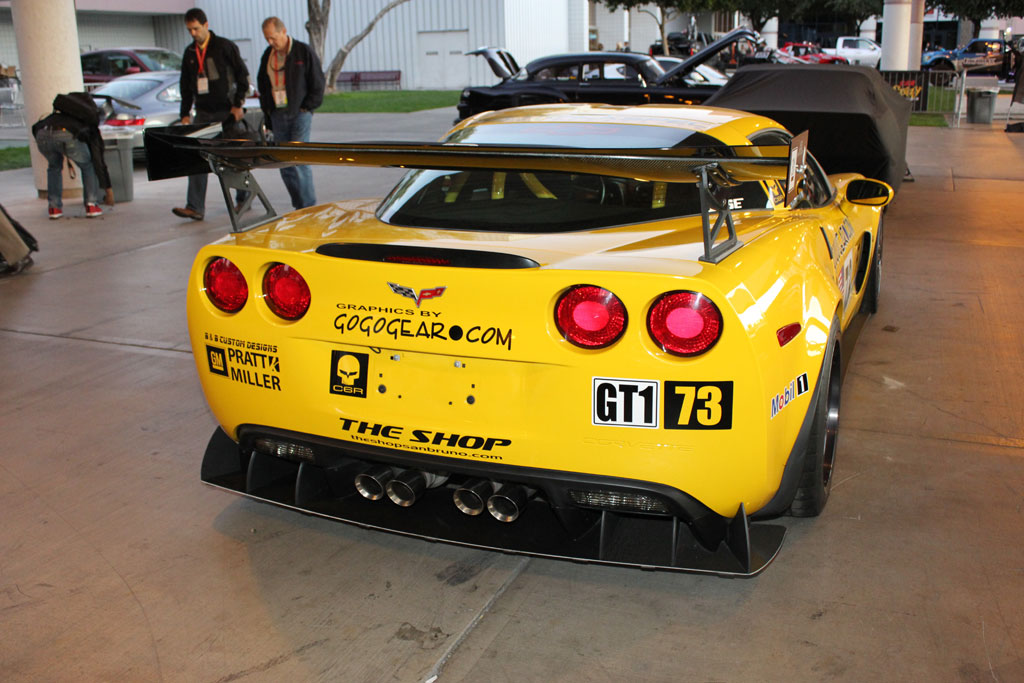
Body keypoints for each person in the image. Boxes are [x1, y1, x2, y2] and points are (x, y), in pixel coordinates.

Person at [172, 7, 250, 221]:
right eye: (189, 30)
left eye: (196, 28)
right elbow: (185, 86)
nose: (193, 33)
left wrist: (237, 104)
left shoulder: (225, 47)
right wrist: (185, 114)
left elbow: (243, 76)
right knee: (197, 158)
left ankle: (244, 197)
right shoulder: (189, 53)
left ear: (206, 25)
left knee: (232, 158)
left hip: (227, 112)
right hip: (203, 113)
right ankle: (195, 206)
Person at [257, 16, 325, 210]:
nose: (271, 42)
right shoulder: (267, 56)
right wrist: (268, 111)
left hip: (300, 113)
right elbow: (263, 84)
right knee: (284, 163)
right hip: (278, 114)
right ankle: (299, 205)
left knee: (299, 160)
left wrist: (307, 107)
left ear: (283, 31)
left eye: (273, 38)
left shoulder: (303, 51)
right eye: (267, 39)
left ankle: (309, 206)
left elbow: (317, 83)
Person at [31, 92, 114, 219]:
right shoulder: (85, 121)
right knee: (87, 166)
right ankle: (91, 205)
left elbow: (36, 128)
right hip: (67, 134)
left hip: (42, 132)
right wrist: (107, 188)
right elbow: (98, 158)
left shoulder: (59, 115)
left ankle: (54, 208)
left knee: (54, 167)